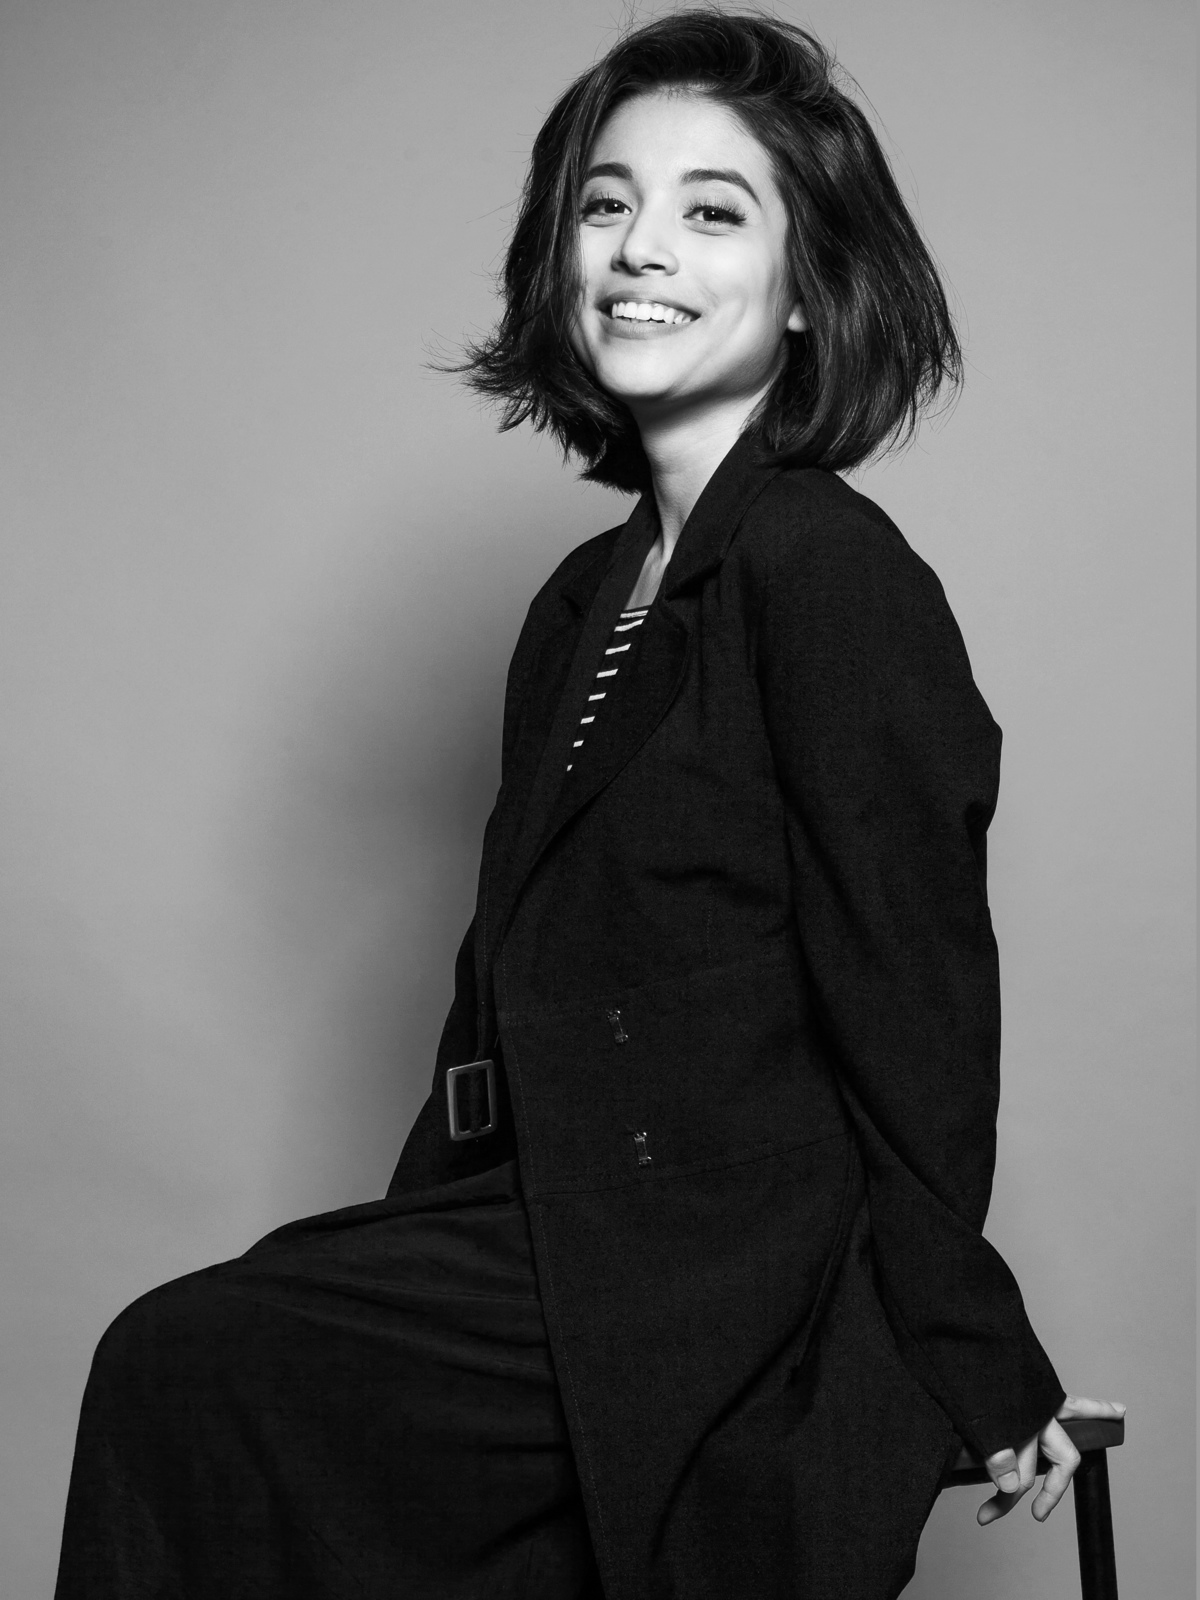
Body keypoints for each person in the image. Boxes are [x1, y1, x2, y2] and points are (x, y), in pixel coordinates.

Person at [55, 13, 1124, 1599]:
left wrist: (966, 1340)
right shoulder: (584, 600)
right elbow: (506, 977)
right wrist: (415, 1239)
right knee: (218, 1372)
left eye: (714, 210)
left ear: (810, 287)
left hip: (731, 1265)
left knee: (185, 1365)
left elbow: (916, 997)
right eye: (607, 203)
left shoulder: (833, 575)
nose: (641, 248)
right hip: (556, 1227)